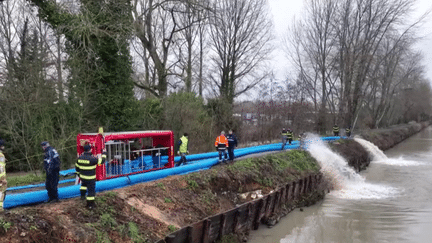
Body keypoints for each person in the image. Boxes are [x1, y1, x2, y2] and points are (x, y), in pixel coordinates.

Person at [76, 143, 99, 209]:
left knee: (83, 186)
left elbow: (77, 167)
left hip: (83, 177)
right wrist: (104, 154)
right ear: (90, 150)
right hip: (90, 178)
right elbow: (101, 161)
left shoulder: (79, 158)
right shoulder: (92, 159)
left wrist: (79, 174)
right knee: (91, 192)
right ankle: (90, 205)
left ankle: (82, 197)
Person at [0, 139, 7, 211]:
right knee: (1, 193)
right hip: (1, 179)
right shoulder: (1, 155)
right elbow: (1, 168)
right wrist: (2, 179)